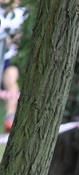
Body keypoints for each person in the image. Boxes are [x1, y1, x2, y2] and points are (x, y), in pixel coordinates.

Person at [0, 0, 27, 133]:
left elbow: (18, 38)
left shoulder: (20, 14)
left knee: (12, 76)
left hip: (5, 60)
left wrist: (11, 40)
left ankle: (10, 118)